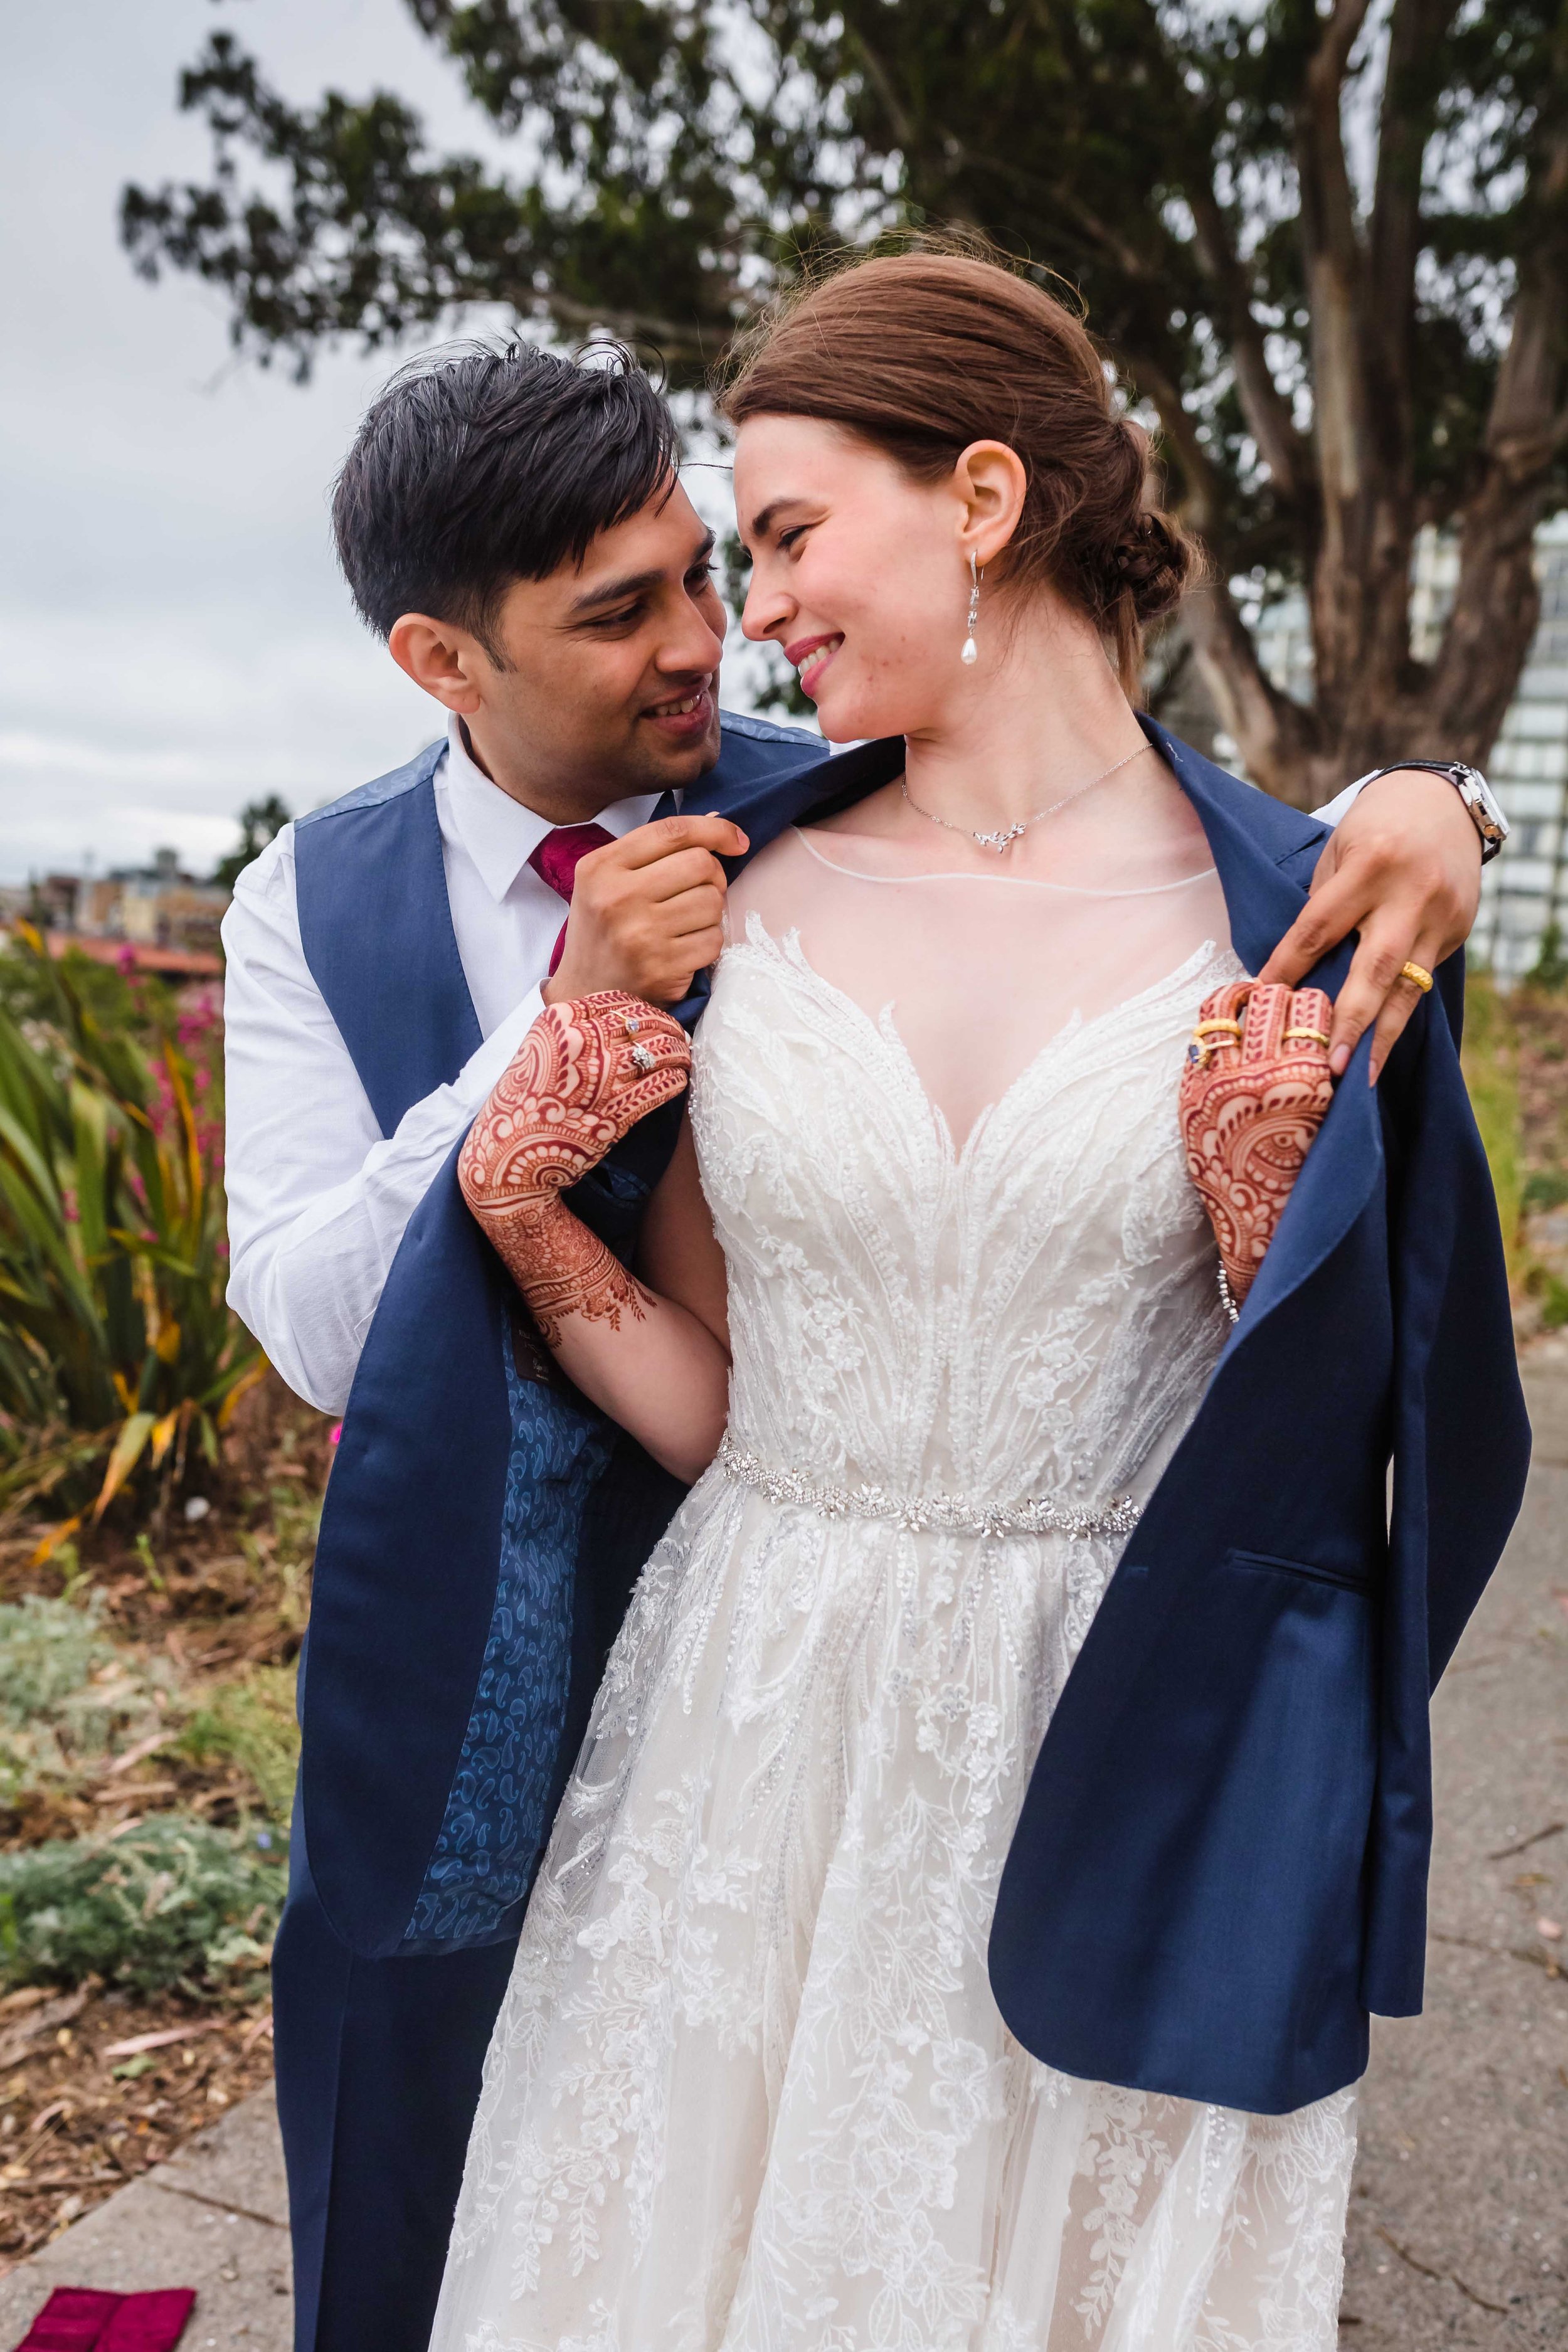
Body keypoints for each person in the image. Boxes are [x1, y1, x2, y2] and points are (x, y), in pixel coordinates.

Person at [220, 334, 1500, 2352]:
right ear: (441, 662)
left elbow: (1158, 825)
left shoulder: (812, 783)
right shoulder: (309, 899)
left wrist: (1444, 796)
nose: (714, 642)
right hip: (574, 1643)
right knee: (446, 2163)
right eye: (623, 609)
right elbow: (313, 1315)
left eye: (724, 568)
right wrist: (530, 1091)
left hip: (960, 1655)